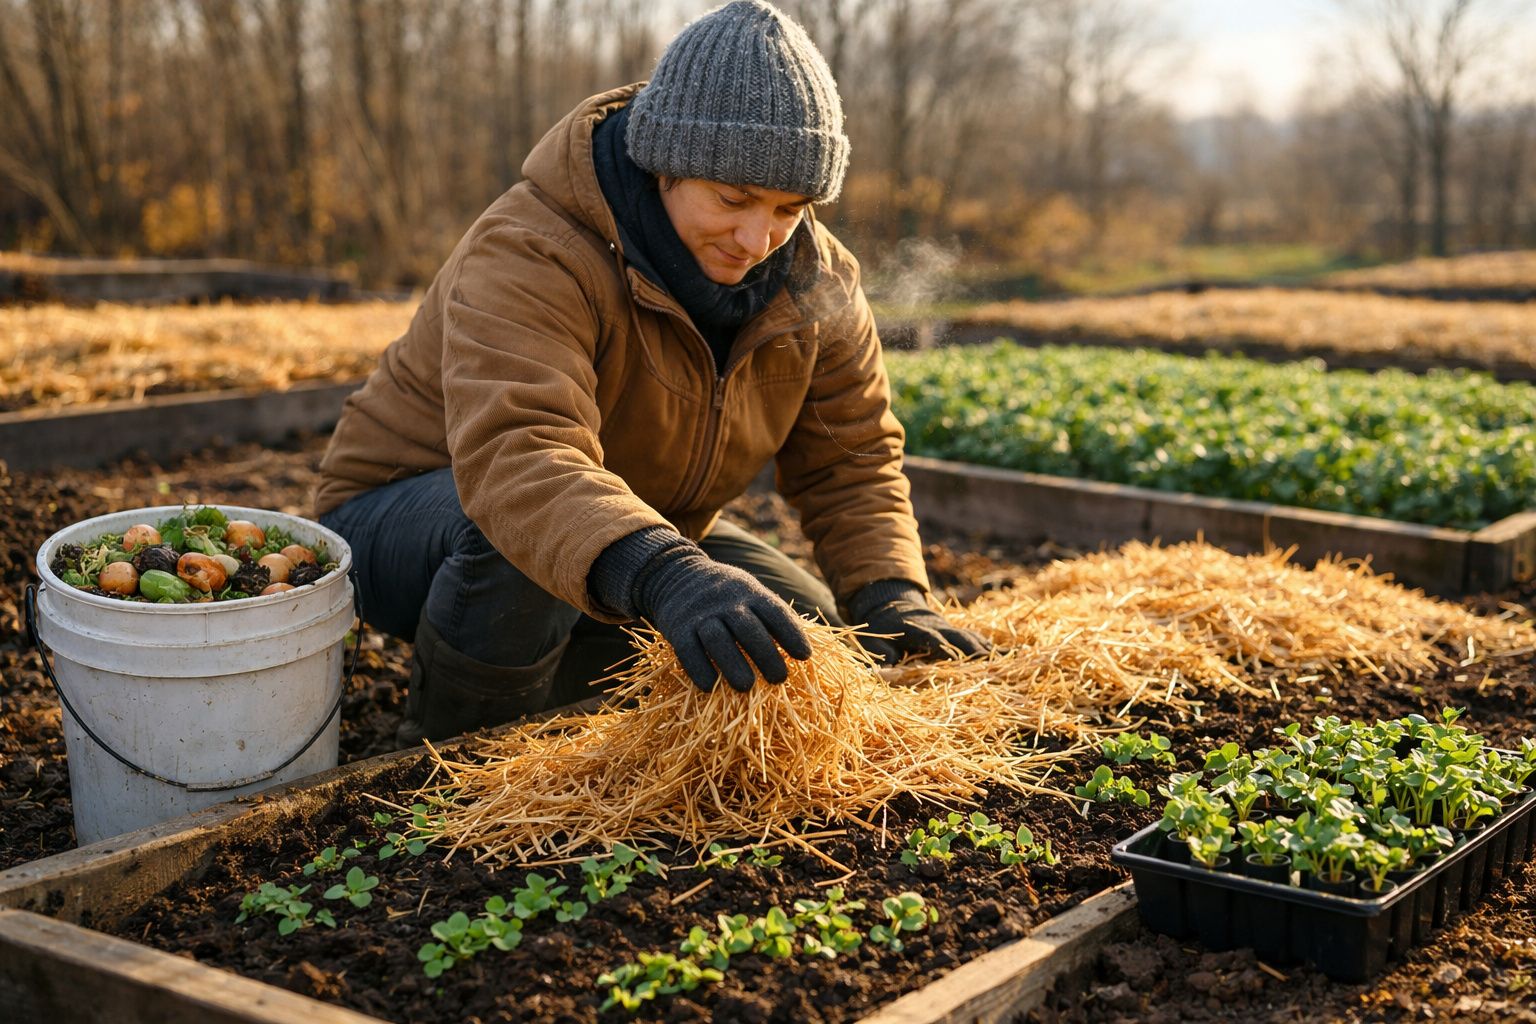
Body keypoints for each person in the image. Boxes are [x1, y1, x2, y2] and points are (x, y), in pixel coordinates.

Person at [313, 0, 987, 745]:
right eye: (732, 200)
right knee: (523, 548)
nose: (757, 238)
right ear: (663, 164)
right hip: (413, 521)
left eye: (789, 208)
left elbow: (851, 463)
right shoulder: (536, 249)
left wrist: (892, 595)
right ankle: (454, 758)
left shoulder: (812, 283)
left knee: (809, 644)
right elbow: (520, 457)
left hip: (628, 531)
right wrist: (667, 574)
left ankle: (575, 679)